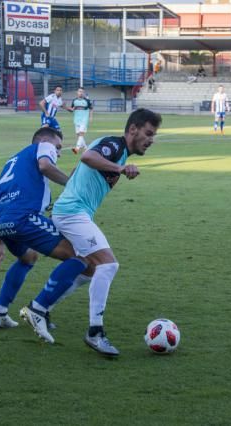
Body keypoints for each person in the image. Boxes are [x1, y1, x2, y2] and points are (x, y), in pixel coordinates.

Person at [51, 108, 162, 356]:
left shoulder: (118, 151)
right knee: (108, 265)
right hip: (73, 213)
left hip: (73, 212)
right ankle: (95, 332)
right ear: (133, 129)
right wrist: (120, 169)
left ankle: (41, 308)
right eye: (148, 133)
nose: (151, 140)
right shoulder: (114, 146)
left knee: (89, 269)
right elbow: (87, 157)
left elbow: (79, 171)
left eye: (153, 135)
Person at [0, 128, 93, 345]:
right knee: (82, 255)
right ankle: (39, 309)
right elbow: (45, 166)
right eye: (58, 147)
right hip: (24, 218)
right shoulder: (42, 147)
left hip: (1, 221)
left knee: (28, 258)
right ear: (44, 141)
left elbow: (3, 198)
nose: (58, 153)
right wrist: (71, 184)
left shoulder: (13, 161)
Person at [68, 87, 93, 155]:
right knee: (78, 135)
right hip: (76, 120)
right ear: (77, 92)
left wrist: (91, 117)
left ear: (84, 93)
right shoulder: (74, 101)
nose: (81, 93)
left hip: (84, 120)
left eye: (82, 91)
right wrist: (67, 108)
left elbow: (91, 109)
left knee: (81, 134)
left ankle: (77, 149)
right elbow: (72, 109)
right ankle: (86, 148)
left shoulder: (87, 101)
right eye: (79, 91)